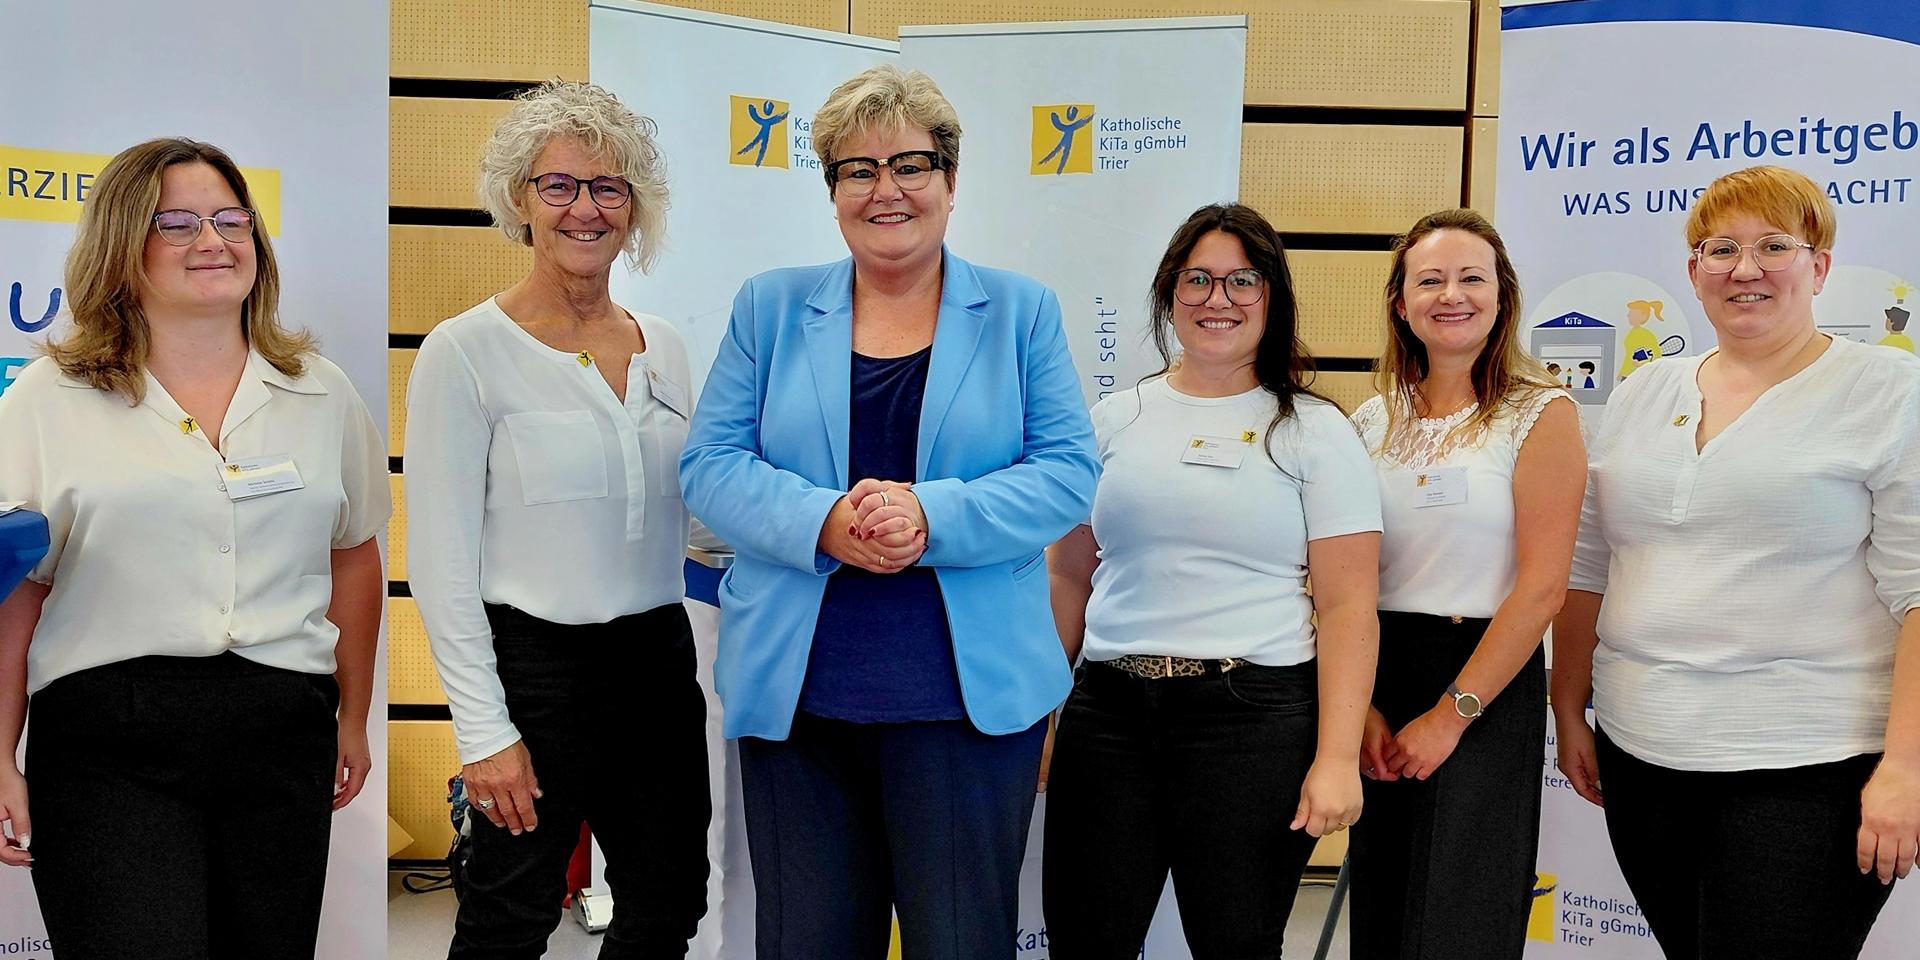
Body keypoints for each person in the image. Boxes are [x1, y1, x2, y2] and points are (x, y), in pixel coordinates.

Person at [677, 64, 1098, 960]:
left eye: (909, 164)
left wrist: (929, 516)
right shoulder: (772, 306)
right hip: (801, 698)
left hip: (966, 705)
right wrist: (827, 521)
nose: (886, 190)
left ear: (950, 180)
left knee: (960, 945)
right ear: (831, 190)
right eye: (857, 170)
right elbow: (710, 465)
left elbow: (1066, 474)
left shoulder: (1021, 312)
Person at [0, 137, 386, 959]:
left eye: (228, 218)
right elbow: (17, 589)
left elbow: (353, 553)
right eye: (174, 223)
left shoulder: (322, 391)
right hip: (109, 742)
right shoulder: (47, 399)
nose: (211, 240)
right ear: (121, 244)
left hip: (284, 732)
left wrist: (351, 716)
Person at [1554, 165, 1920, 959]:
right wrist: (1567, 709)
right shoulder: (1643, 392)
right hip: (1641, 752)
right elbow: (1587, 565)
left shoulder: (1888, 392)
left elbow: (1919, 592)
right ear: (1693, 271)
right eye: (1720, 249)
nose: (1744, 269)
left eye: (1773, 246)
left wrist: (1906, 766)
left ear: (1819, 267)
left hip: (1809, 765)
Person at [405, 79, 709, 958]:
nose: (586, 208)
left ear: (634, 206)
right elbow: (441, 563)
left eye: (608, 187)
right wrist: (483, 732)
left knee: (666, 906)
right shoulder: (464, 352)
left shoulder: (668, 346)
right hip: (533, 672)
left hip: (656, 661)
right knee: (510, 916)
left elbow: (693, 513)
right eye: (560, 185)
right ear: (519, 201)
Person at [1041, 202, 1381, 958]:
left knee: (1238, 944)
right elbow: (1068, 575)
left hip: (1252, 724)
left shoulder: (1315, 432)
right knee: (1084, 942)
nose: (1217, 300)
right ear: (1169, 294)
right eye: (1197, 279)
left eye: (1241, 281)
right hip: (1108, 718)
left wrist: (1334, 757)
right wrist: (1038, 712)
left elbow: (1350, 605)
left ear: (1272, 298)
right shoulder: (1113, 419)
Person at [1346, 208, 1585, 959]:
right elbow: (1336, 579)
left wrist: (1451, 716)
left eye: (1471, 277)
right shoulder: (1368, 421)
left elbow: (1544, 590)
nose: (1452, 294)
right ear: (1400, 301)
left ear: (1501, 295)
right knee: (1386, 908)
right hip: (1378, 672)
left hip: (1485, 674)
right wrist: (1358, 707)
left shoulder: (1540, 413)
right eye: (1430, 279)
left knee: (1460, 916)